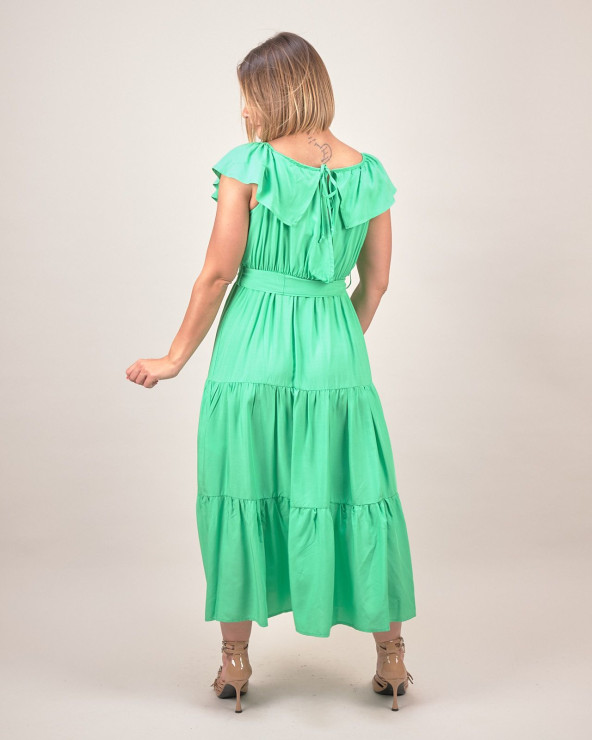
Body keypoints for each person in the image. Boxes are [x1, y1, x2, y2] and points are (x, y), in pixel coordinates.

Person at [126, 31, 416, 713]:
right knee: (358, 490)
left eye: (247, 98)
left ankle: (234, 662)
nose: (243, 112)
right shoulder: (369, 172)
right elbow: (375, 285)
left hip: (251, 348)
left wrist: (173, 358)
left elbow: (218, 273)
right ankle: (392, 658)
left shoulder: (249, 165)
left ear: (271, 94)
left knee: (242, 487)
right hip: (335, 351)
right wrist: (333, 348)